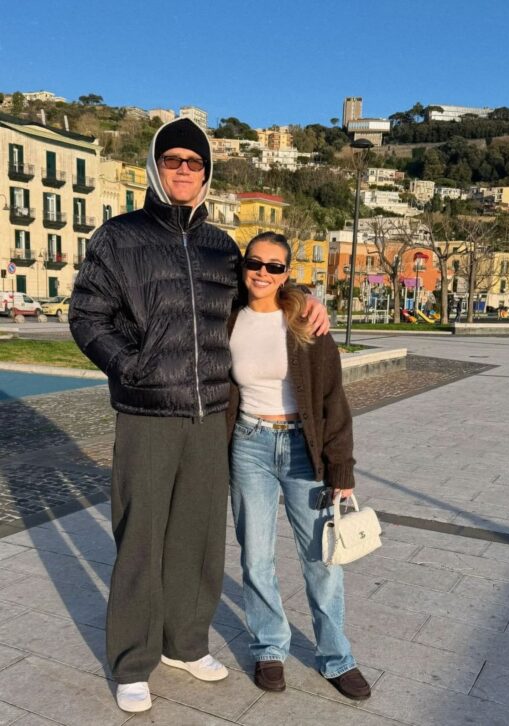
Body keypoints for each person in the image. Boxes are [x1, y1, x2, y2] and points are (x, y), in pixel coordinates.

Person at [69, 119, 328, 713]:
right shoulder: (118, 238)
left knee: (199, 534)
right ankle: (132, 660)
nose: (183, 169)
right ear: (155, 166)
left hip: (211, 414)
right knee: (141, 535)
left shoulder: (220, 246)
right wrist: (128, 366)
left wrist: (307, 299)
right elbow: (86, 316)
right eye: (173, 160)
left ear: (207, 173)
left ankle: (185, 642)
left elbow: (258, 298)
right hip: (147, 411)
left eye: (194, 162)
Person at [227, 232, 371, 701]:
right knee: (255, 556)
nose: (263, 273)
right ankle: (270, 647)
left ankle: (336, 657)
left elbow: (333, 398)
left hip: (302, 448)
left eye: (274, 266)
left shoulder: (305, 320)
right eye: (255, 263)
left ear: (287, 273)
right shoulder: (229, 317)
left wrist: (341, 468)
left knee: (320, 558)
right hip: (248, 445)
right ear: (244, 265)